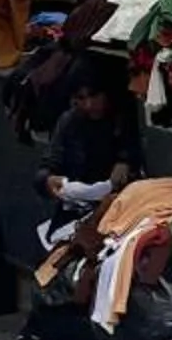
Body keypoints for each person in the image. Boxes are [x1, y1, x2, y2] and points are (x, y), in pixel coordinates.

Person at [37, 68, 137, 226]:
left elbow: (132, 147)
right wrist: (47, 181)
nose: (89, 105)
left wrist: (125, 162)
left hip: (115, 209)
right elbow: (48, 164)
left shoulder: (121, 118)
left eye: (94, 96)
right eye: (81, 98)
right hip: (75, 211)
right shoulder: (69, 122)